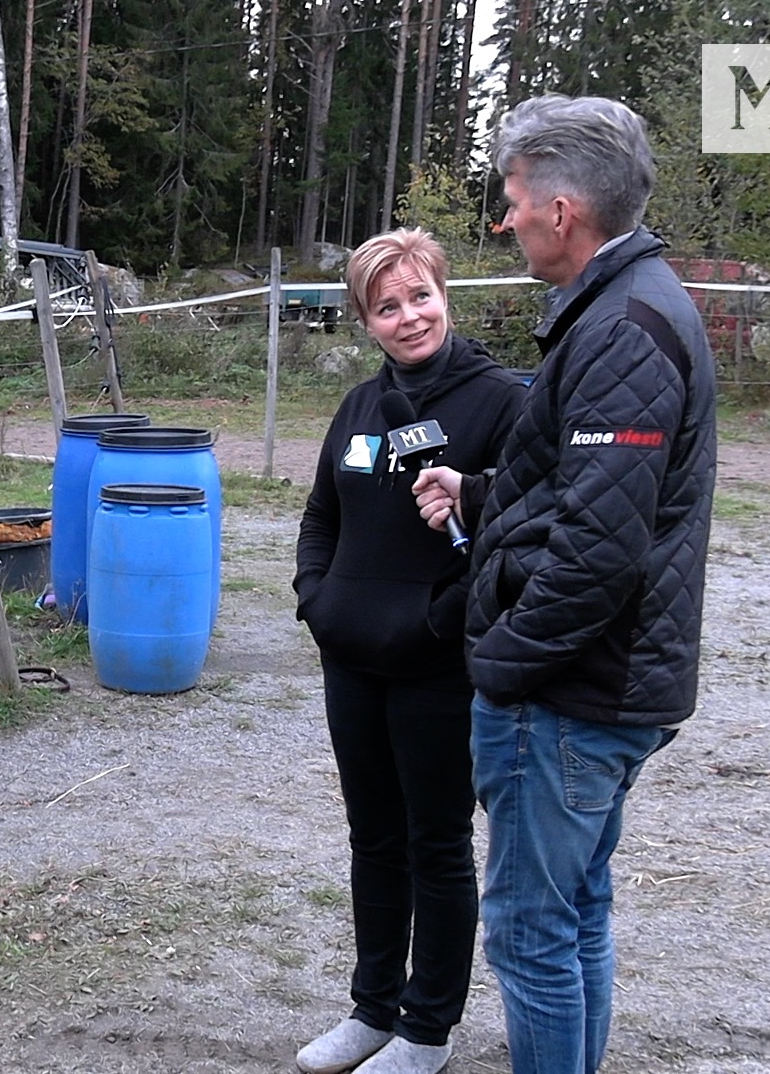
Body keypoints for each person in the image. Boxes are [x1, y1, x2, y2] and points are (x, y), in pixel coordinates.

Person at [411, 95, 717, 1074]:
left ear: (560, 210)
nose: (506, 221)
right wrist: (479, 490)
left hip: (572, 695)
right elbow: (588, 491)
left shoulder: (624, 327)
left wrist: (502, 665)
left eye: (511, 201)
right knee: (577, 909)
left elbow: (599, 549)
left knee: (531, 931)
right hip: (600, 684)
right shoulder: (622, 307)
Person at [293, 228, 526, 1074]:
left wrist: (441, 620)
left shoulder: (501, 402)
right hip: (351, 657)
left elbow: (519, 534)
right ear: (366, 321)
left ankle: (427, 1031)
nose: (409, 317)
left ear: (444, 296)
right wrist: (316, 599)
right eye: (386, 306)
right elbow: (322, 514)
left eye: (420, 296)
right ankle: (372, 1012)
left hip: (436, 666)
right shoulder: (361, 407)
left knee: (437, 845)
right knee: (373, 839)